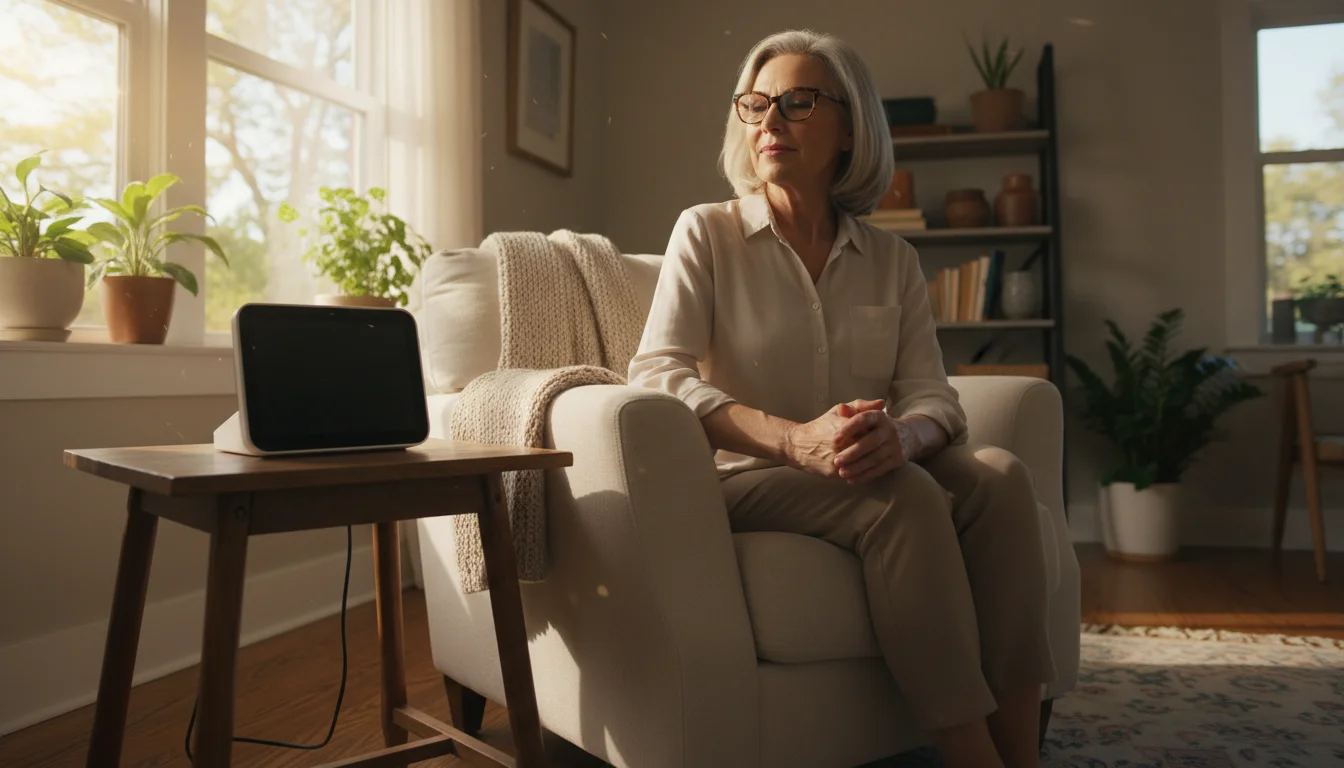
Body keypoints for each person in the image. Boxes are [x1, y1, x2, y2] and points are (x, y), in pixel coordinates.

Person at [627, 29, 1055, 768]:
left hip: (869, 462)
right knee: (903, 498)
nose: (769, 121)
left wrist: (908, 436)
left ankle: (1023, 753)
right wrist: (795, 440)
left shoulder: (893, 258)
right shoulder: (707, 233)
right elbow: (658, 373)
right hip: (746, 474)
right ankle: (970, 757)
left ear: (851, 126)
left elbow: (932, 395)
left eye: (797, 102)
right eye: (756, 104)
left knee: (1003, 481)